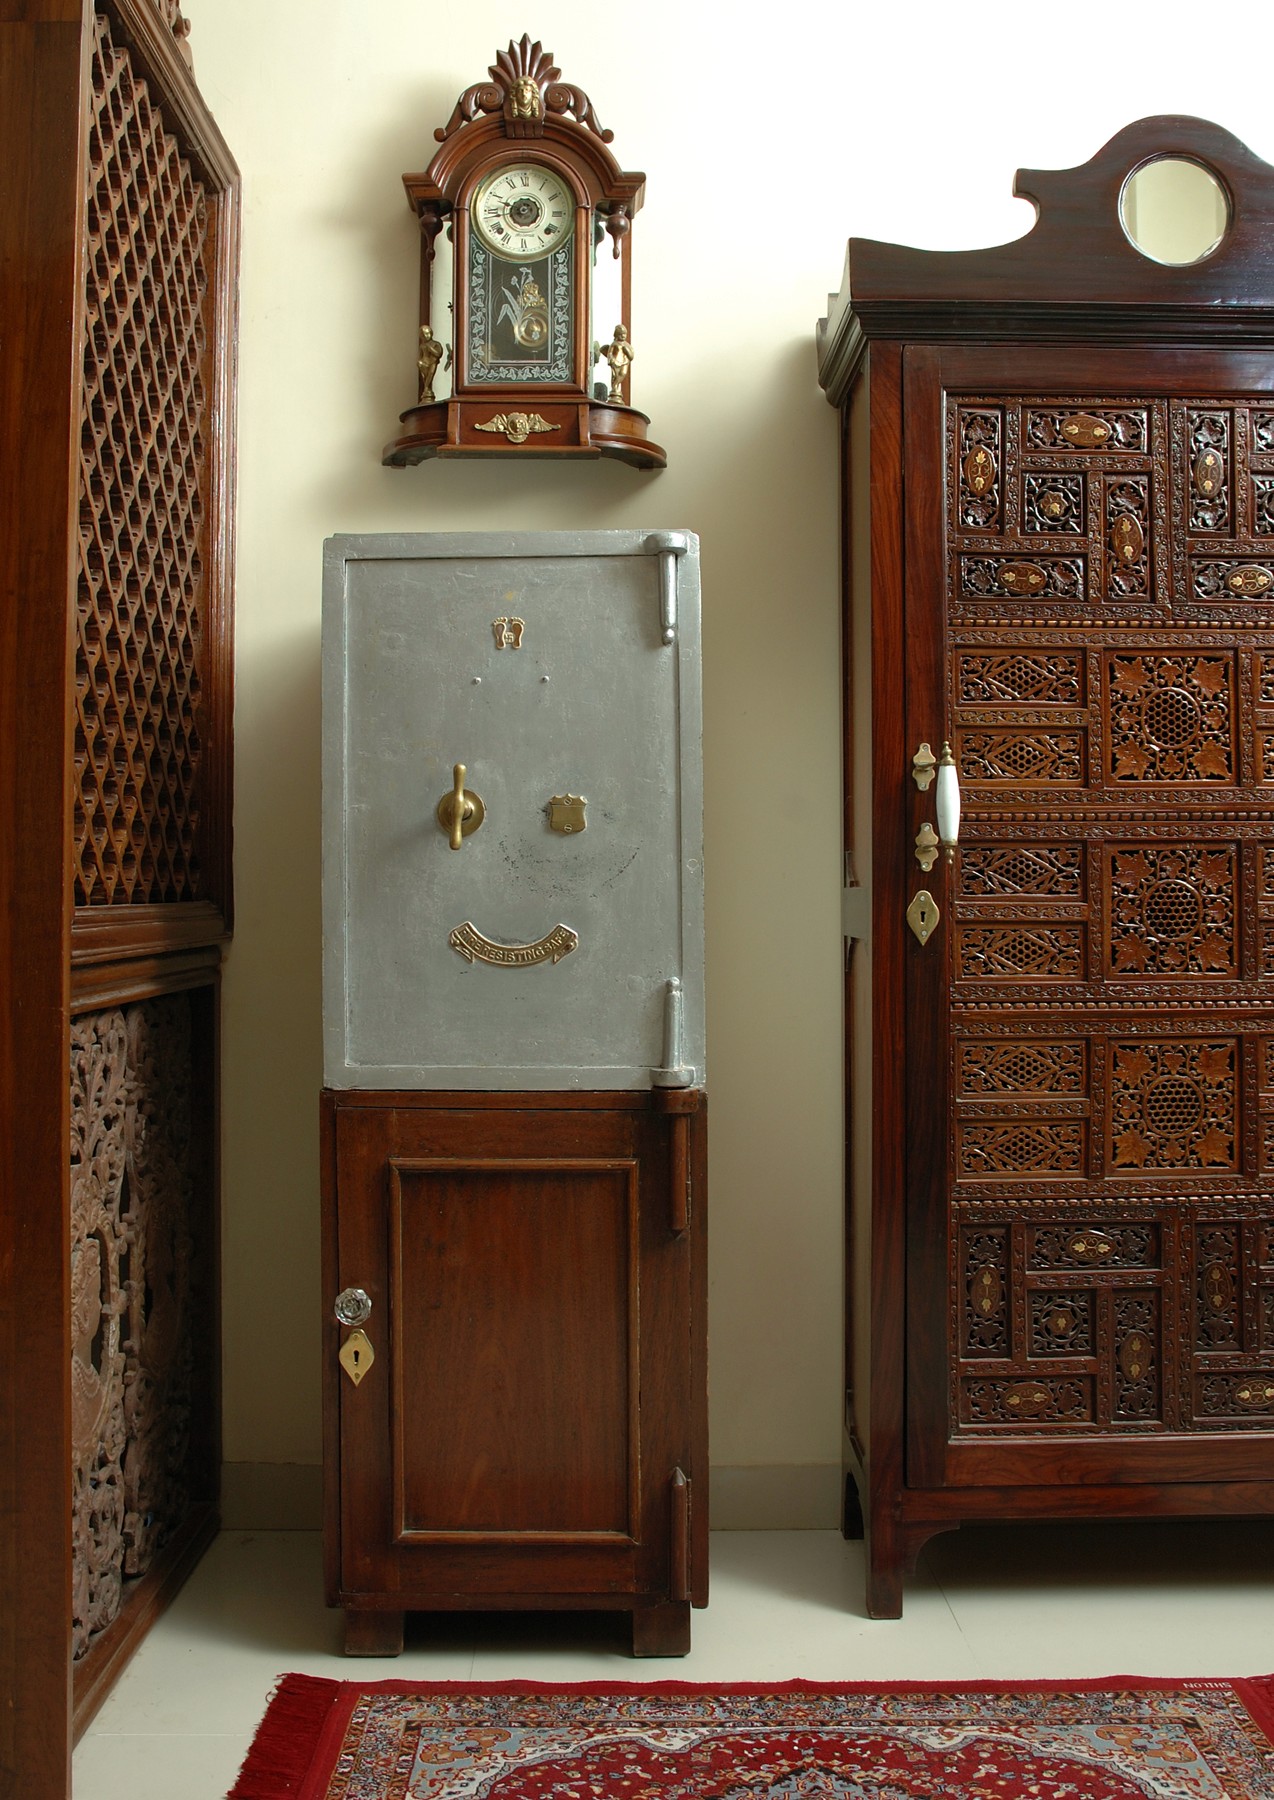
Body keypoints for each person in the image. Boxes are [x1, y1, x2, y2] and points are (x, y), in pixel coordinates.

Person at [417, 325, 451, 403]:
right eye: (424, 335)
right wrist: (419, 362)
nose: (426, 336)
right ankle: (427, 388)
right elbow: (420, 356)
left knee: (431, 373)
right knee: (425, 375)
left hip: (433, 362)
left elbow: (438, 354)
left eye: (427, 333)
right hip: (425, 363)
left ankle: (427, 388)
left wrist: (430, 349)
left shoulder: (435, 344)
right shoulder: (422, 346)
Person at [600, 324, 633, 403]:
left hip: (624, 362)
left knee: (623, 373)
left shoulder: (627, 345)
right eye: (621, 334)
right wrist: (611, 359)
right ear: (617, 335)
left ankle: (615, 386)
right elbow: (609, 353)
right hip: (616, 362)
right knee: (615, 375)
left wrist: (627, 351)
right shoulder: (614, 344)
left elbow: (631, 357)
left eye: (624, 334)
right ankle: (615, 387)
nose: (623, 336)